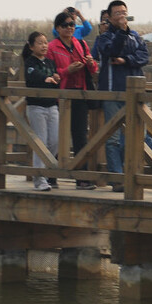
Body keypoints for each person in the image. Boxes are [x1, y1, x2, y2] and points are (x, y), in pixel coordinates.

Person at [93, 0, 149, 191]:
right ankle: (117, 179)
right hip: (112, 92)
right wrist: (120, 34)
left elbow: (144, 56)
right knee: (113, 138)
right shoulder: (104, 37)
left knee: (135, 136)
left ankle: (131, 175)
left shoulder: (135, 35)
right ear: (109, 16)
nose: (121, 16)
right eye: (117, 13)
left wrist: (126, 60)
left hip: (135, 93)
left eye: (124, 12)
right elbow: (111, 51)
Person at [47, 11, 99, 189]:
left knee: (80, 137)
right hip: (60, 96)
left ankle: (81, 177)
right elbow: (49, 73)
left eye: (72, 25)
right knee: (55, 137)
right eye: (65, 25)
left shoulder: (81, 44)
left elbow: (92, 70)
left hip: (80, 94)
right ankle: (50, 176)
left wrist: (91, 63)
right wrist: (66, 71)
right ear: (57, 28)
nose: (70, 28)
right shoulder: (52, 47)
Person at [22, 31, 60, 191]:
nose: (44, 45)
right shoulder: (30, 62)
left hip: (52, 105)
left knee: (55, 141)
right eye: (39, 43)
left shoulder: (50, 63)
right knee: (41, 142)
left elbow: (54, 81)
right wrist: (46, 79)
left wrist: (55, 79)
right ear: (31, 46)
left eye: (45, 42)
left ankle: (47, 173)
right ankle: (39, 179)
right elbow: (33, 77)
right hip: (36, 106)